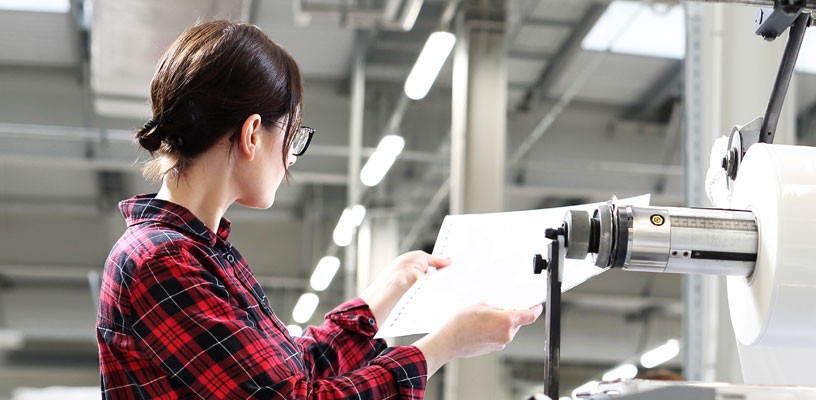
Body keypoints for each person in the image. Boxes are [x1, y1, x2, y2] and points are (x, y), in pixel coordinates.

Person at [96, 20, 541, 399]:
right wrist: (443, 346)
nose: (291, 158)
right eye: (292, 135)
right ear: (253, 134)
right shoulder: (163, 261)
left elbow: (294, 370)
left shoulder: (196, 254)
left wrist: (381, 295)